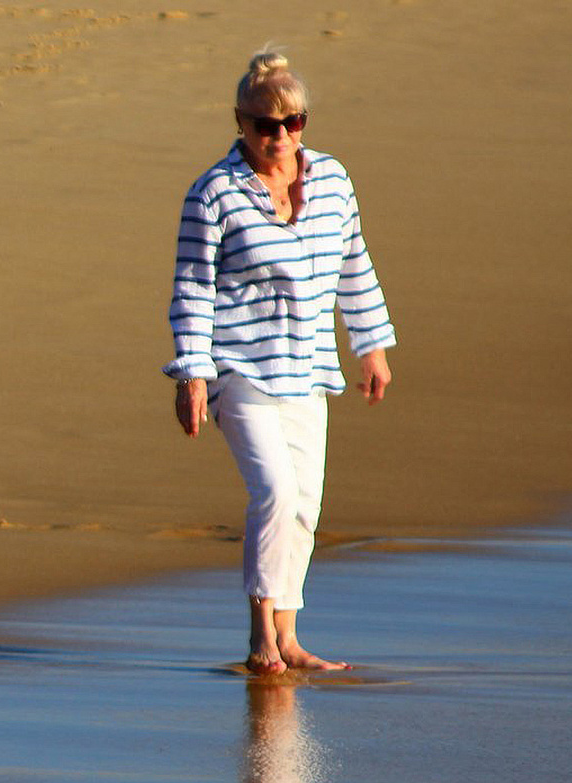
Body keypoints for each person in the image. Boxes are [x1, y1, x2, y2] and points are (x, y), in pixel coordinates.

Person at [165, 50, 397, 675]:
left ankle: (289, 638)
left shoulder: (333, 181)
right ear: (239, 122)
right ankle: (260, 636)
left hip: (310, 367)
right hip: (240, 369)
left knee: (305, 506)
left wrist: (370, 345)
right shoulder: (213, 193)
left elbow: (354, 262)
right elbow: (192, 286)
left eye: (293, 123)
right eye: (265, 125)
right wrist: (192, 373)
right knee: (273, 493)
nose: (280, 137)